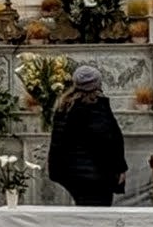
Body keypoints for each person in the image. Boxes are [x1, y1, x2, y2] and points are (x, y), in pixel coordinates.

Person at [47, 64, 127, 208]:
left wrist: (57, 171)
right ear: (97, 85)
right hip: (97, 176)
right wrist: (119, 169)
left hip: (72, 174)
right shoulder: (96, 107)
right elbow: (110, 141)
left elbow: (57, 142)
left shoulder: (64, 106)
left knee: (83, 213)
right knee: (97, 217)